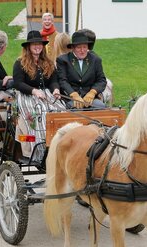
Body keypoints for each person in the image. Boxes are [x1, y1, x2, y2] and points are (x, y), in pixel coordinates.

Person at [13, 30, 65, 161]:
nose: (37, 47)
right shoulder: (19, 63)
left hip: (46, 94)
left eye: (40, 44)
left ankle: (60, 145)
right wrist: (34, 91)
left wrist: (56, 90)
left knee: (60, 111)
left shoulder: (47, 62)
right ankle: (40, 150)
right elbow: (18, 84)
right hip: (28, 96)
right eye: (34, 44)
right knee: (40, 114)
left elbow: (53, 80)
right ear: (28, 47)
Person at [56, 31, 107, 109]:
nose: (82, 50)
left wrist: (92, 93)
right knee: (74, 109)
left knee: (100, 106)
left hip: (90, 99)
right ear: (73, 48)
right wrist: (73, 94)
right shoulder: (63, 60)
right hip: (70, 99)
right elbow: (62, 81)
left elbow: (101, 80)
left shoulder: (96, 60)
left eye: (84, 47)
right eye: (79, 47)